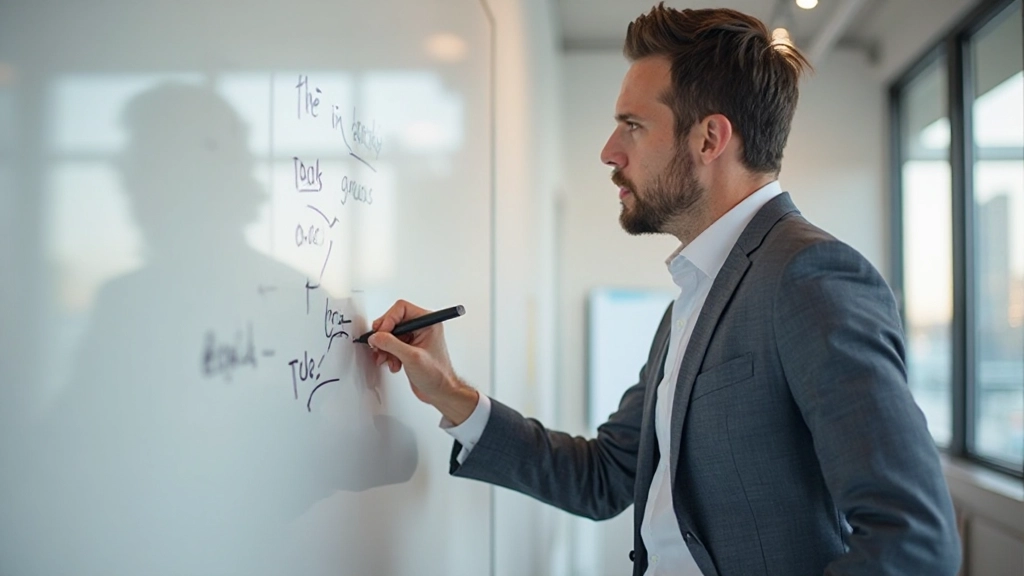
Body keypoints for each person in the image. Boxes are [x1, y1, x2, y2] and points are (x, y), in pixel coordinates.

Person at [367, 4, 961, 575]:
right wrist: (448, 393)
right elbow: (605, 476)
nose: (609, 151)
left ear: (709, 139)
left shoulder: (811, 275)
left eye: (632, 125)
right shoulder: (696, 294)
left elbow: (913, 539)